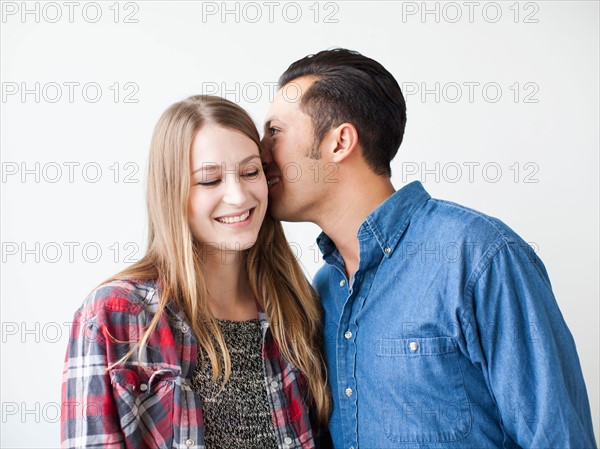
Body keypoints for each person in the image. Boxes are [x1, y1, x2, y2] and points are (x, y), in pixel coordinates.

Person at [261, 48, 597, 449]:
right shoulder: (324, 287)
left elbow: (559, 438)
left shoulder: (477, 256)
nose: (259, 152)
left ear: (339, 142)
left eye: (275, 132)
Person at [61, 95, 331, 449]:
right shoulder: (114, 316)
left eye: (251, 172)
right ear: (173, 192)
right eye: (209, 180)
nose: (238, 196)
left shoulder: (297, 307)